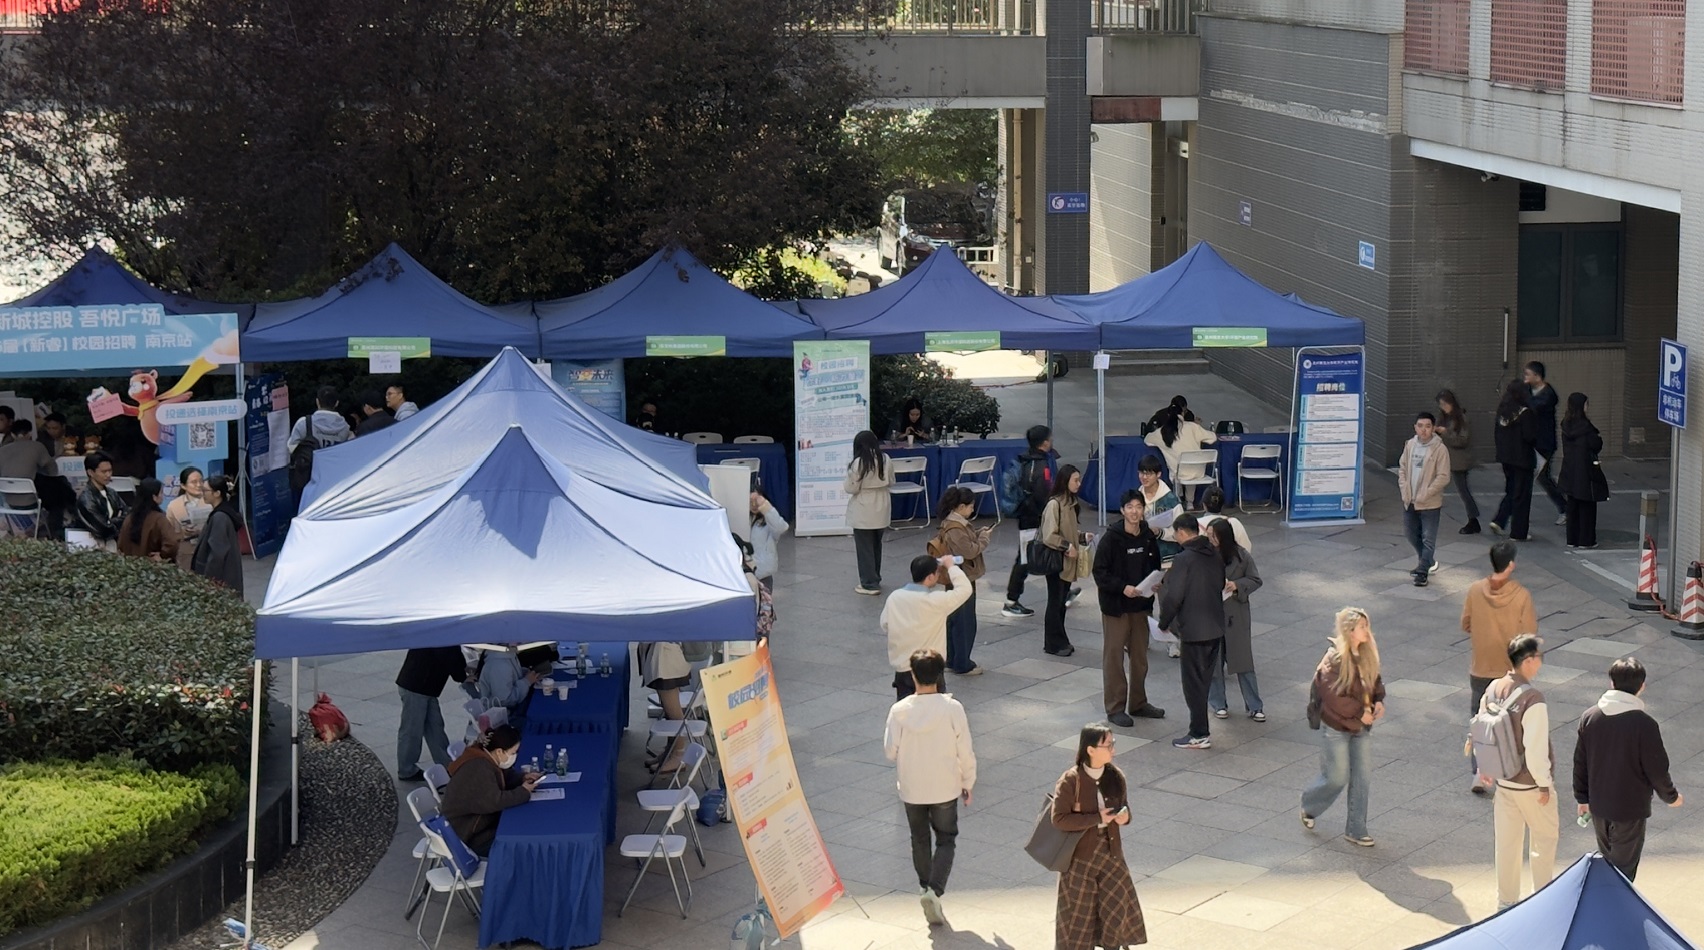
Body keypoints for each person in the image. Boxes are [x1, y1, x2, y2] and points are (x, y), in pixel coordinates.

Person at [883, 648, 976, 927]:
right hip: (945, 786)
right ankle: (935, 891)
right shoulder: (953, 709)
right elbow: (965, 750)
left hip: (912, 787)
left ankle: (925, 886)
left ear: (912, 675)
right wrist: (968, 782)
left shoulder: (899, 711)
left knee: (919, 838)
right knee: (946, 838)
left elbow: (890, 751)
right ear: (940, 675)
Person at [1573, 657, 1682, 881]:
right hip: (1630, 808)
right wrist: (1671, 797)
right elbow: (1657, 769)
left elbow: (1580, 762)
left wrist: (1582, 798)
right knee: (1623, 871)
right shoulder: (1644, 724)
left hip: (1599, 805)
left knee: (1608, 863)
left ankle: (1606, 897)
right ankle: (1613, 902)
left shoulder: (1590, 717)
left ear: (1612, 683)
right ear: (1642, 686)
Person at [1051, 724, 1145, 950]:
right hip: (1080, 859)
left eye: (1113, 743)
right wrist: (1096, 818)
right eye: (1108, 745)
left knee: (1115, 911)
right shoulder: (1070, 780)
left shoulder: (1115, 776)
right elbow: (1059, 819)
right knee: (1079, 918)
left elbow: (1125, 807)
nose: (1113, 749)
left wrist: (1124, 817)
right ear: (1090, 750)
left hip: (1111, 855)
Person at [1479, 635, 1557, 909]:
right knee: (1543, 842)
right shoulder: (1533, 698)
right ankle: (1541, 901)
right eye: (1539, 657)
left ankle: (1506, 902)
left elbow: (1482, 730)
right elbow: (1535, 747)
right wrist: (1544, 783)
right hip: (1530, 785)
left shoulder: (1492, 688)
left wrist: (1485, 767)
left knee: (1507, 845)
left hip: (1504, 781)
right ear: (1528, 661)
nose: (1540, 662)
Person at [1301, 606, 1386, 846]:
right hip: (1337, 727)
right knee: (1337, 777)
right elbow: (1333, 696)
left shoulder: (1367, 654)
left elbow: (1375, 681)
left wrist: (1379, 700)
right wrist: (1360, 713)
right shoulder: (1334, 659)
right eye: (1362, 627)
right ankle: (1309, 804)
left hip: (1361, 728)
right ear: (1349, 631)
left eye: (1366, 626)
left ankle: (1356, 829)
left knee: (1362, 778)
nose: (1367, 631)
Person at [1460, 540, 1535, 795]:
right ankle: (1508, 772)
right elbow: (1529, 636)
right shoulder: (1521, 596)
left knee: (1480, 719)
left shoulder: (1475, 590)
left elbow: (1466, 623)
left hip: (1481, 666)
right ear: (1511, 564)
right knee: (1512, 722)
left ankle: (1479, 773)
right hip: (1509, 672)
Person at [1094, 490, 1165, 726]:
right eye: (1130, 507)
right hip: (1116, 607)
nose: (1135, 512)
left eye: (1139, 507)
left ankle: (1138, 702)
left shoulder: (1147, 536)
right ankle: (1115, 707)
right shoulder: (1111, 539)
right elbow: (1100, 572)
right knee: (1114, 657)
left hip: (1141, 605)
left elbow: (1154, 565)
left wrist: (1155, 583)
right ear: (1122, 510)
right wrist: (1122, 587)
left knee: (1140, 657)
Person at [1157, 514, 1226, 750]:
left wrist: (1163, 622)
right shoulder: (1214, 553)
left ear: (1181, 533)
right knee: (1204, 681)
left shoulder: (1184, 559)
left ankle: (1198, 733)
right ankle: (1200, 730)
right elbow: (1219, 584)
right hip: (1215, 627)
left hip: (1194, 631)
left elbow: (1174, 596)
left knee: (1193, 684)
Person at [441, 725, 542, 856]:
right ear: (499, 751)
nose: (515, 756)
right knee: (521, 843)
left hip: (480, 825)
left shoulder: (485, 758)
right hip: (468, 835)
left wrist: (522, 778)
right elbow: (495, 801)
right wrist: (523, 792)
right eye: (513, 753)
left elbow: (502, 777)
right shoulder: (479, 768)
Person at [882, 555, 972, 700]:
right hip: (930, 667)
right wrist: (951, 566)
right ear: (930, 577)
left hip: (903, 667)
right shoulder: (936, 601)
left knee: (906, 708)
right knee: (934, 708)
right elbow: (965, 589)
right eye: (937, 573)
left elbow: (885, 624)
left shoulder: (894, 597)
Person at [1206, 519, 1264, 722]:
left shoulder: (1242, 556)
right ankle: (1218, 703)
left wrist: (1236, 585)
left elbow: (1255, 579)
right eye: (1208, 535)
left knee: (1243, 662)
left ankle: (1254, 705)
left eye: (1214, 535)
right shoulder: (1205, 555)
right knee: (1213, 662)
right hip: (1212, 613)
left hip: (1235, 614)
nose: (1210, 539)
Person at [932, 486, 991, 675]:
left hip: (954, 575)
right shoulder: (956, 527)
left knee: (954, 619)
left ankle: (952, 659)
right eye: (971, 506)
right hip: (962, 577)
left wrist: (977, 534)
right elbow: (970, 551)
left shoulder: (953, 523)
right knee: (964, 621)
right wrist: (984, 539)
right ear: (961, 507)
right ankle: (962, 663)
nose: (973, 509)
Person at [1002, 424, 1054, 618]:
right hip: (1034, 517)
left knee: (1050, 552)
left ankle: (1061, 592)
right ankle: (1011, 600)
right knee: (1025, 558)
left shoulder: (1026, 460)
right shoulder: (1039, 466)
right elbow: (1042, 494)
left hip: (1027, 515)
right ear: (1045, 442)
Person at [395, 646, 467, 782]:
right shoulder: (446, 639)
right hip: (417, 686)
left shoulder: (442, 635)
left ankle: (447, 764)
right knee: (412, 730)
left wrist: (463, 672)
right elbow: (450, 655)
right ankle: (406, 769)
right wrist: (463, 675)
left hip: (423, 685)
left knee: (435, 727)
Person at [1039, 464, 1088, 658]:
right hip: (1056, 562)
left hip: (1066, 562)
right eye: (1075, 480)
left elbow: (1068, 530)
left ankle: (1060, 640)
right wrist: (1067, 546)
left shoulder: (1070, 503)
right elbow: (1049, 535)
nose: (1078, 483)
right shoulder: (1055, 504)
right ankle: (1054, 643)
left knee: (1060, 603)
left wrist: (1082, 537)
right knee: (1055, 602)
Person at [1399, 411, 1452, 587]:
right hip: (1410, 499)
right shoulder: (1410, 445)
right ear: (1415, 427)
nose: (1424, 430)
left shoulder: (1440, 449)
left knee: (1428, 537)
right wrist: (1404, 489)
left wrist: (1427, 492)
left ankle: (1422, 571)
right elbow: (1402, 469)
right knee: (1410, 533)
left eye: (1428, 426)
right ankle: (1427, 561)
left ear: (1433, 428)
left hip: (1430, 502)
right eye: (1420, 426)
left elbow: (1443, 476)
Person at [844, 429, 892, 595]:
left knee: (864, 548)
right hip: (882, 504)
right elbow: (891, 480)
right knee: (876, 545)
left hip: (863, 507)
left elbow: (851, 488)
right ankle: (875, 577)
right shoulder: (885, 459)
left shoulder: (858, 463)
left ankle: (869, 584)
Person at [1489, 379, 1537, 541]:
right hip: (1523, 460)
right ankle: (1518, 532)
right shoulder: (1525, 413)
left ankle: (1500, 520)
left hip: (1506, 459)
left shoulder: (1503, 412)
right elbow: (1530, 436)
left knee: (1511, 490)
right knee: (1522, 496)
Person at [0, 419, 65, 537]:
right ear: (30, 433)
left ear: (13, 434)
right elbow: (52, 468)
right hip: (31, 501)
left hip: (9, 501)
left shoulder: (2, 450)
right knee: (58, 493)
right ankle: (54, 531)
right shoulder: (37, 446)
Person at [1144, 404, 1217, 509]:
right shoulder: (1193, 427)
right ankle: (1190, 502)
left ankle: (1178, 499)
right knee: (1191, 467)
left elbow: (1147, 439)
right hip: (1198, 472)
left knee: (1176, 468)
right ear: (1183, 413)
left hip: (1178, 474)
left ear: (1168, 415)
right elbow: (1213, 438)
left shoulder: (1162, 432)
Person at [639, 640, 694, 773]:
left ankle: (678, 755)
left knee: (673, 712)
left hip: (667, 658)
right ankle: (670, 751)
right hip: (664, 654)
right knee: (669, 712)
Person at [1525, 361, 1568, 527]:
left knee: (1542, 477)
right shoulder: (1529, 390)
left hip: (1544, 444)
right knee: (1532, 477)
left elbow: (1533, 407)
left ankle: (1565, 508)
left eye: (1528, 374)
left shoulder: (1548, 395)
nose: (1525, 378)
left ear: (1537, 376)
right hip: (1532, 442)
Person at [1559, 392, 1603, 549]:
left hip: (1569, 470)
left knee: (1572, 506)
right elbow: (1596, 444)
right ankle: (1586, 540)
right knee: (1587, 507)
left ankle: (1572, 539)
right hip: (1585, 471)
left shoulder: (1566, 425)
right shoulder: (1586, 428)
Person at [191, 475, 244, 594]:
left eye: (205, 490)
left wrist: (208, 581)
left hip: (219, 580)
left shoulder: (220, 517)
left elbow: (217, 554)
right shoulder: (222, 513)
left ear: (217, 493)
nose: (203, 494)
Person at [1437, 389, 1480, 534]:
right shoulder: (1445, 418)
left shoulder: (1461, 418)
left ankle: (1473, 518)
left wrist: (1445, 433)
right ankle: (1473, 518)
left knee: (1463, 490)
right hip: (1449, 458)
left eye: (1445, 404)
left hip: (1459, 460)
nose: (1443, 407)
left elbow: (1462, 440)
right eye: (1441, 405)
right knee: (1462, 489)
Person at [74, 451, 128, 551]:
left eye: (110, 471)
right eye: (104, 472)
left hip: (113, 541)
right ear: (90, 472)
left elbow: (127, 514)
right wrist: (117, 521)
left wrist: (111, 521)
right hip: (94, 544)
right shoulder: (86, 498)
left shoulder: (112, 493)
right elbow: (102, 527)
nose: (108, 475)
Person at [117, 478, 180, 562]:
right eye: (161, 492)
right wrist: (162, 555)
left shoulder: (129, 518)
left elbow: (120, 545)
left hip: (130, 565)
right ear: (154, 497)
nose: (163, 496)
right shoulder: (159, 519)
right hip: (153, 566)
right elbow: (172, 543)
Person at [1136, 454, 1182, 563]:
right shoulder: (1136, 497)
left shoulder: (1171, 501)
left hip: (1168, 555)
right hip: (1143, 553)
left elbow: (1182, 530)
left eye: (1149, 473)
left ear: (1158, 474)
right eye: (1142, 473)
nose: (1144, 477)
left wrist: (1161, 532)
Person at [164, 466, 210, 570]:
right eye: (194, 482)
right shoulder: (174, 506)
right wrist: (182, 533)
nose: (199, 485)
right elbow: (168, 534)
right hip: (185, 553)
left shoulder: (210, 501)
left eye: (201, 481)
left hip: (207, 550)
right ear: (183, 486)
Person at [476, 645, 540, 718]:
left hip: (511, 711)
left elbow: (510, 676)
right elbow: (505, 701)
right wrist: (527, 681)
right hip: (502, 718)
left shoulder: (507, 654)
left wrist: (525, 674)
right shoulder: (499, 664)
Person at [287, 385, 354, 453]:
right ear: (337, 403)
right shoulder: (345, 428)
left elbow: (291, 448)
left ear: (317, 401)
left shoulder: (304, 423)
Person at [749, 490, 789, 590]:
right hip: (745, 572)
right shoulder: (740, 520)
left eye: (756, 500)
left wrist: (765, 507)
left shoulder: (768, 522)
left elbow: (781, 527)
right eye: (750, 501)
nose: (754, 504)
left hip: (763, 573)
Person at [1197, 486, 1251, 554]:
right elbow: (1246, 548)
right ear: (1223, 504)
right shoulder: (1234, 522)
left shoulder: (1194, 524)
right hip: (1231, 559)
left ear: (1204, 505)